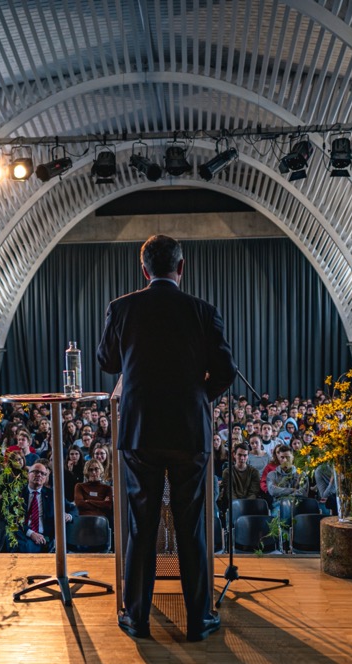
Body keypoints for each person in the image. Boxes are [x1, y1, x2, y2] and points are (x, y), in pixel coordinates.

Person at [97, 234, 235, 641]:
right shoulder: (203, 311)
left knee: (141, 527)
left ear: (143, 270)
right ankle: (199, 620)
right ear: (181, 267)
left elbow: (107, 361)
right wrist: (198, 397)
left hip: (140, 431)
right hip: (189, 432)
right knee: (191, 527)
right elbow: (225, 371)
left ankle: (137, 619)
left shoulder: (121, 308)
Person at [10, 461, 74, 553]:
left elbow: (73, 508)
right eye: (36, 472)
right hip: (24, 534)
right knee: (17, 544)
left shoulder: (53, 495)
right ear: (28, 475)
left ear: (45, 478)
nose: (39, 475)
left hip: (45, 537)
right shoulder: (17, 493)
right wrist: (30, 533)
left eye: (43, 474)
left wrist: (69, 516)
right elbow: (10, 518)